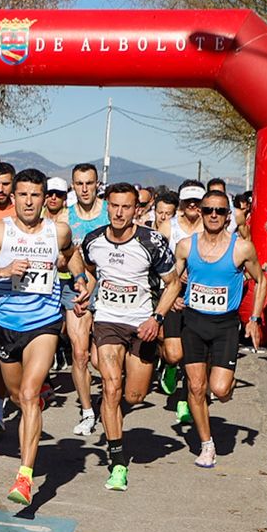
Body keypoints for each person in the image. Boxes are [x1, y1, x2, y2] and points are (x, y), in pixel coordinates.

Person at [0, 168, 80, 504]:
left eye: (35, 195)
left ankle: (24, 477)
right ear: (13, 198)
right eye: (22, 194)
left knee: (27, 394)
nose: (28, 201)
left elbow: (71, 256)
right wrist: (1, 272)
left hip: (45, 323)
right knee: (15, 395)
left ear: (45, 199)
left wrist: (80, 282)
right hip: (8, 324)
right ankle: (34, 408)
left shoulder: (58, 231)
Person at [154, 188, 267, 468]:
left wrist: (254, 319)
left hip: (225, 325)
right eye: (208, 210)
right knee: (195, 386)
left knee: (219, 389)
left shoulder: (241, 247)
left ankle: (221, 388)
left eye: (219, 211)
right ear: (200, 213)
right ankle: (206, 444)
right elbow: (173, 280)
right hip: (194, 322)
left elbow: (261, 281)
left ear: (228, 216)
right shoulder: (186, 246)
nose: (213, 215)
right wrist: (171, 301)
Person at [79, 182, 176, 491]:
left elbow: (173, 284)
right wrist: (86, 290)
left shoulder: (153, 242)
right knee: (111, 386)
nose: (119, 212)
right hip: (107, 320)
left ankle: (112, 404)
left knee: (133, 396)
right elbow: (91, 269)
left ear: (138, 210)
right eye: (114, 206)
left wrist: (157, 319)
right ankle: (117, 461)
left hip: (142, 323)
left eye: (126, 207)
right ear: (107, 206)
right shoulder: (93, 240)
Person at [65, 161, 109, 436]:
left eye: (89, 183)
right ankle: (88, 411)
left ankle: (110, 400)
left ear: (97, 185)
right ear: (73, 185)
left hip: (107, 289)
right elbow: (60, 256)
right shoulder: (65, 218)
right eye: (79, 183)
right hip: (75, 289)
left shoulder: (110, 213)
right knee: (80, 354)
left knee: (100, 358)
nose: (84, 189)